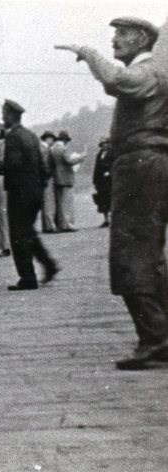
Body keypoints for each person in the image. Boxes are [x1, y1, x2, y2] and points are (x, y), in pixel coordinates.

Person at [56, 16, 168, 370]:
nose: (114, 40)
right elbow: (115, 84)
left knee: (130, 253)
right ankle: (160, 335)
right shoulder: (149, 71)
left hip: (140, 167)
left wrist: (88, 53)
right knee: (148, 254)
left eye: (121, 35)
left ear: (141, 40)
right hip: (143, 166)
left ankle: (154, 339)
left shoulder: (148, 71)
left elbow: (120, 80)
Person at [0, 99, 60, 291]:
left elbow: (13, 164)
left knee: (17, 236)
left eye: (4, 113)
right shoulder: (31, 136)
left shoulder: (13, 137)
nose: (2, 117)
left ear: (11, 116)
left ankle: (27, 278)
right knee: (28, 233)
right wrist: (39, 187)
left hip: (19, 193)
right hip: (34, 193)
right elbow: (44, 167)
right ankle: (49, 265)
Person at [50, 130, 86, 232]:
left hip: (57, 178)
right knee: (67, 203)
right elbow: (69, 161)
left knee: (60, 203)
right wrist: (81, 158)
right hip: (66, 178)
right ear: (65, 140)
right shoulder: (63, 148)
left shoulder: (53, 148)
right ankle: (68, 225)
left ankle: (62, 224)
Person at [39, 131, 58, 233]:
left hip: (42, 178)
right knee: (49, 202)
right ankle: (50, 226)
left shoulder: (41, 148)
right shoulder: (45, 149)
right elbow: (45, 165)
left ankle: (46, 226)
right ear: (48, 138)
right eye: (52, 139)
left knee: (45, 202)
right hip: (47, 178)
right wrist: (48, 176)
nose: (53, 141)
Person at [92, 137, 113, 227]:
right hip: (101, 181)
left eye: (106, 143)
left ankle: (112, 219)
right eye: (103, 144)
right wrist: (95, 180)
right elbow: (96, 168)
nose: (104, 145)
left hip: (110, 181)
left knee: (110, 199)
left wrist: (110, 172)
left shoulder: (112, 154)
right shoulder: (99, 154)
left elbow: (115, 165)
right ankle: (106, 219)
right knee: (102, 201)